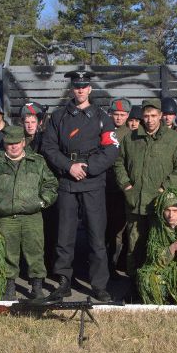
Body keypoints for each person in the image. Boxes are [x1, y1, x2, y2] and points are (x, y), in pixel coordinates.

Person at [40, 70, 120, 302]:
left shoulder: (102, 117)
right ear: (72, 89)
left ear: (90, 89)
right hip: (67, 181)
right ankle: (64, 281)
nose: (81, 90)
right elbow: (49, 147)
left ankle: (99, 285)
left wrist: (89, 167)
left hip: (93, 182)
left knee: (97, 236)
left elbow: (112, 149)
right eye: (77, 86)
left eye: (84, 86)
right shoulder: (59, 117)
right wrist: (69, 166)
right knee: (64, 236)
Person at [0, 125, 59, 300]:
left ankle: (37, 286)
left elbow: (51, 184)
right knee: (8, 252)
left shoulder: (37, 161)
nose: (13, 147)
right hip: (6, 217)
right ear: (4, 144)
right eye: (9, 143)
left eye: (16, 143)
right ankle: (9, 287)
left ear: (23, 142)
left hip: (32, 216)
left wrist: (42, 201)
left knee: (35, 251)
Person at [114, 98, 177, 280]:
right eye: (146, 116)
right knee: (135, 247)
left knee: (159, 245)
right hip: (136, 203)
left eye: (154, 115)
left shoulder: (173, 139)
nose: (149, 120)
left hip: (161, 206)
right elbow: (119, 163)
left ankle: (158, 284)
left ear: (161, 116)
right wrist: (126, 185)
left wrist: (165, 187)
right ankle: (135, 285)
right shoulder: (130, 138)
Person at [105, 97, 132, 276]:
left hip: (121, 188)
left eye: (122, 115)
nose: (119, 118)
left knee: (119, 230)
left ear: (128, 116)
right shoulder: (103, 131)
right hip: (104, 187)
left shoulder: (130, 135)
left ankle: (114, 265)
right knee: (104, 229)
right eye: (116, 114)